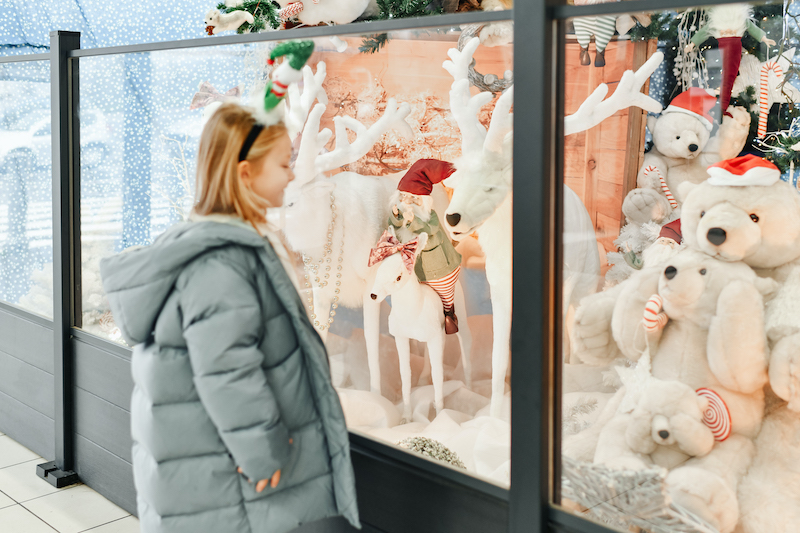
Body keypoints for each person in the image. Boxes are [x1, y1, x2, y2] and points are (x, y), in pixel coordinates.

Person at [99, 93, 360, 531]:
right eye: (283, 163)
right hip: (228, 472)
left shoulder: (231, 243)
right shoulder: (220, 266)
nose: (292, 172)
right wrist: (262, 453)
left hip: (216, 461)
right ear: (245, 174)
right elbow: (227, 372)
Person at [386, 159, 463, 334]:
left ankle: (449, 313)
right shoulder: (402, 213)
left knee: (445, 296)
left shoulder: (430, 216)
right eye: (404, 197)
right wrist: (397, 217)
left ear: (423, 201)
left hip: (439, 268)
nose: (407, 201)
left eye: (413, 198)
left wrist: (413, 221)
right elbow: (393, 228)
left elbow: (430, 229)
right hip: (416, 271)